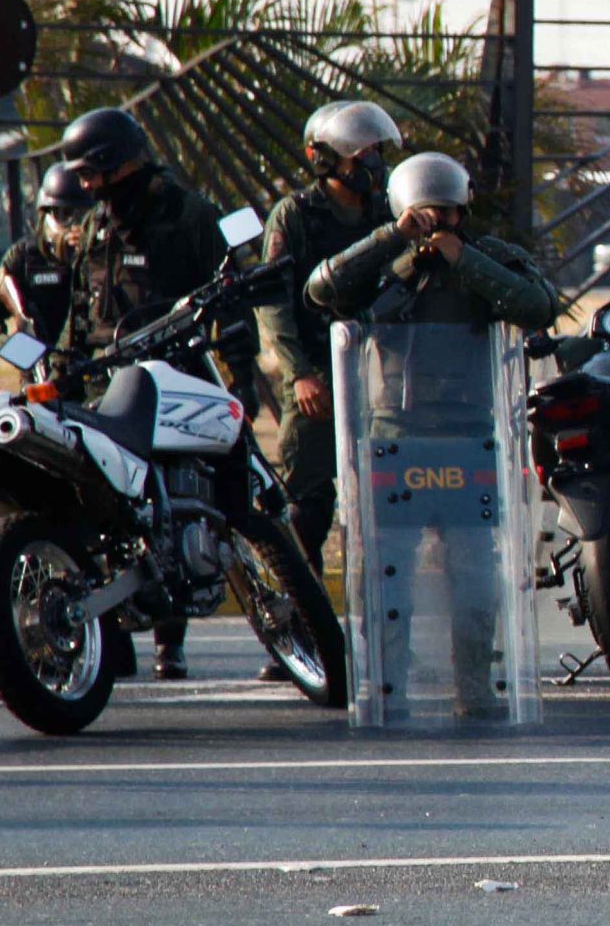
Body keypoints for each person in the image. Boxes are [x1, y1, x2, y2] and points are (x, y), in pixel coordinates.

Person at [307, 153, 558, 716]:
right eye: (426, 214)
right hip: (394, 437)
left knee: (474, 572)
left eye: (448, 212)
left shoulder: (489, 258)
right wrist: (389, 240)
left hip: (471, 436)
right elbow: (322, 290)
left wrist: (463, 261)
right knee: (386, 573)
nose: (438, 223)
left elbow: (538, 305)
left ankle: (474, 689)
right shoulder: (385, 264)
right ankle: (386, 687)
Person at [57, 106, 227, 680]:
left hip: (172, 376)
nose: (86, 187)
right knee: (107, 509)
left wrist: (242, 376)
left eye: (92, 174)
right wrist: (60, 373)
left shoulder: (187, 214)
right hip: (109, 385)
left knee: (174, 504)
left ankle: (169, 640)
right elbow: (81, 314)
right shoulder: (96, 229)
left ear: (121, 164)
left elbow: (221, 300)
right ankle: (113, 635)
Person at [257, 101, 401, 573]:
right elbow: (275, 303)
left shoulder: (388, 213)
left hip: (381, 375)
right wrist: (299, 375)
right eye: (360, 152)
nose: (372, 160)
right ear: (326, 157)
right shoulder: (295, 215)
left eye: (376, 150)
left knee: (388, 501)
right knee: (307, 507)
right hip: (316, 377)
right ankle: (310, 619)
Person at [0, 164, 91, 355]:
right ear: (46, 213)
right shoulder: (24, 256)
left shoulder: (101, 255)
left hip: (91, 368)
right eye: (65, 214)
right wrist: (21, 353)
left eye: (83, 217)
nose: (74, 226)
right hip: (42, 371)